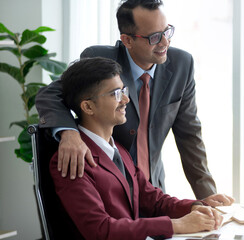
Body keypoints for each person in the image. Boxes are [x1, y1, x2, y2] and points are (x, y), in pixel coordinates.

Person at [36, 0, 233, 204]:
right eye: (155, 37)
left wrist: (209, 198)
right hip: (112, 193)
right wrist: (69, 133)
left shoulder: (182, 64)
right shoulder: (100, 60)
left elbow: (190, 136)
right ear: (127, 40)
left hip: (154, 193)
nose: (165, 42)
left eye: (167, 32)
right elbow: (49, 95)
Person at [51, 57, 223, 240]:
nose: (126, 99)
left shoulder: (118, 148)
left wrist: (193, 206)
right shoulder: (72, 160)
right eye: (115, 94)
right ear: (88, 106)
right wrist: (177, 225)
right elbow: (99, 230)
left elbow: (152, 199)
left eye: (123, 90)